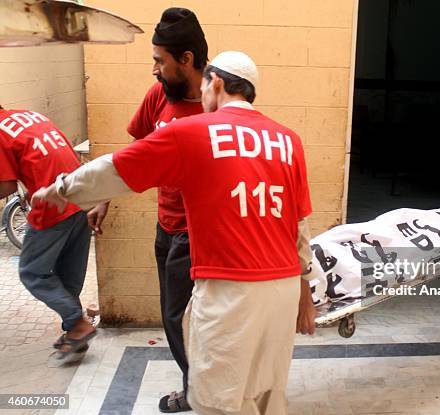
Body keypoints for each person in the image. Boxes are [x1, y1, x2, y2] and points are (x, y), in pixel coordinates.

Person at [32, 51, 317, 415]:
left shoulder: (192, 132)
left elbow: (117, 169)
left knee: (218, 400)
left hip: (229, 291)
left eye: (204, 88)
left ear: (215, 82)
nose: (202, 99)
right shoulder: (288, 140)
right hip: (281, 291)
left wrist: (59, 190)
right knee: (267, 395)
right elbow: (299, 225)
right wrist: (304, 290)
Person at [88, 8, 208, 411]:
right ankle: (199, 384)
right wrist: (104, 193)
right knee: (174, 317)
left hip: (204, 233)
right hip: (167, 225)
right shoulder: (161, 94)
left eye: (160, 61)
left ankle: (199, 389)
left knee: (189, 317)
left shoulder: (217, 103)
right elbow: (136, 151)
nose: (154, 70)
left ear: (186, 59)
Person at [0, 105, 95, 360]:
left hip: (54, 207)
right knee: (68, 275)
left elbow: (6, 185)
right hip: (82, 197)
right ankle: (76, 334)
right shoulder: (29, 115)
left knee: (33, 272)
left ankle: (78, 324)